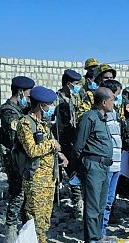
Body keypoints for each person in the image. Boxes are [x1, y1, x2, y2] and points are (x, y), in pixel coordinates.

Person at [16, 86, 68, 243]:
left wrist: (61, 155)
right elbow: (32, 150)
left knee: (45, 216)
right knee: (36, 217)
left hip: (48, 177)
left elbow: (54, 146)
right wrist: (52, 144)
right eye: (49, 105)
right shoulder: (25, 123)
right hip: (36, 178)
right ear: (41, 105)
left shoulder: (44, 124)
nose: (51, 108)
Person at [72, 88, 115, 243]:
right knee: (92, 205)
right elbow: (78, 147)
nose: (114, 103)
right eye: (112, 100)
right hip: (93, 166)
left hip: (104, 166)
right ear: (104, 102)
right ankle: (92, 239)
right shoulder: (89, 118)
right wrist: (81, 168)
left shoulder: (102, 119)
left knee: (101, 204)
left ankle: (98, 235)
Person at [0, 76, 35, 243]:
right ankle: (11, 231)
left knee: (26, 194)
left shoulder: (21, 111)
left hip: (23, 158)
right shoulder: (8, 111)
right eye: (27, 96)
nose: (28, 100)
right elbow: (16, 136)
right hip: (13, 160)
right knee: (17, 193)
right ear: (20, 92)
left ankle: (26, 229)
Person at [55, 69, 84, 219]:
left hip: (70, 141)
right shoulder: (55, 100)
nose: (78, 87)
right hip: (58, 142)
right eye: (75, 84)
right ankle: (54, 205)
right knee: (56, 175)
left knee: (74, 172)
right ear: (68, 84)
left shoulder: (73, 98)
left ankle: (77, 201)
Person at [100, 79, 125, 235]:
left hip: (117, 162)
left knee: (109, 201)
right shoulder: (100, 116)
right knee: (103, 202)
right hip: (107, 164)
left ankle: (103, 230)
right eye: (116, 95)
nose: (118, 99)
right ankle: (99, 232)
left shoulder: (116, 113)